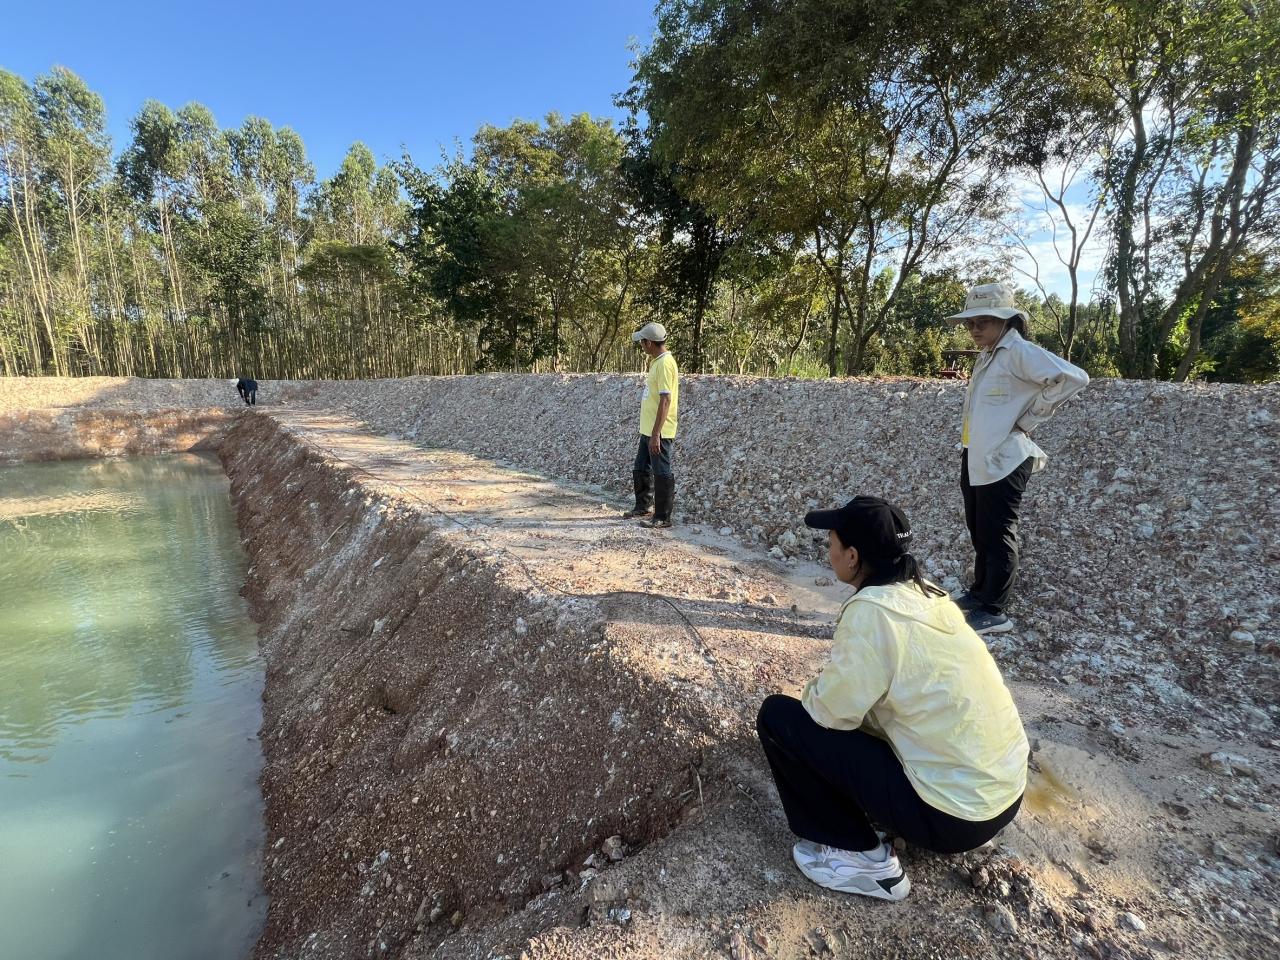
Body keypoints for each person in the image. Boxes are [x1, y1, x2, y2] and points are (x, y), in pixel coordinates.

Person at [756, 496, 1029, 902]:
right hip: (1003, 796)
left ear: (852, 556)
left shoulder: (871, 613)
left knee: (779, 717)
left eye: (831, 541)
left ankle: (865, 858)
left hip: (953, 817)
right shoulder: (930, 593)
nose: (827, 550)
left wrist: (813, 693)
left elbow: (830, 713)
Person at [946, 283, 1088, 635]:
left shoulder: (1018, 352)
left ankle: (995, 609)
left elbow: (1072, 377)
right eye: (971, 323)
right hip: (979, 455)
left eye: (983, 321)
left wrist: (1030, 419)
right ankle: (980, 594)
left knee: (998, 533)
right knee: (979, 529)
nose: (975, 329)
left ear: (1006, 320)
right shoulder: (988, 354)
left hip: (1005, 459)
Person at [621, 322, 679, 529]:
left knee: (661, 470)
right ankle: (642, 505)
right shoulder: (657, 362)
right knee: (640, 467)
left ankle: (663, 517)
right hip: (648, 429)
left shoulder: (664, 364)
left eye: (643, 342)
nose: (642, 346)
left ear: (650, 343)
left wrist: (656, 435)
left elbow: (665, 400)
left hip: (659, 431)